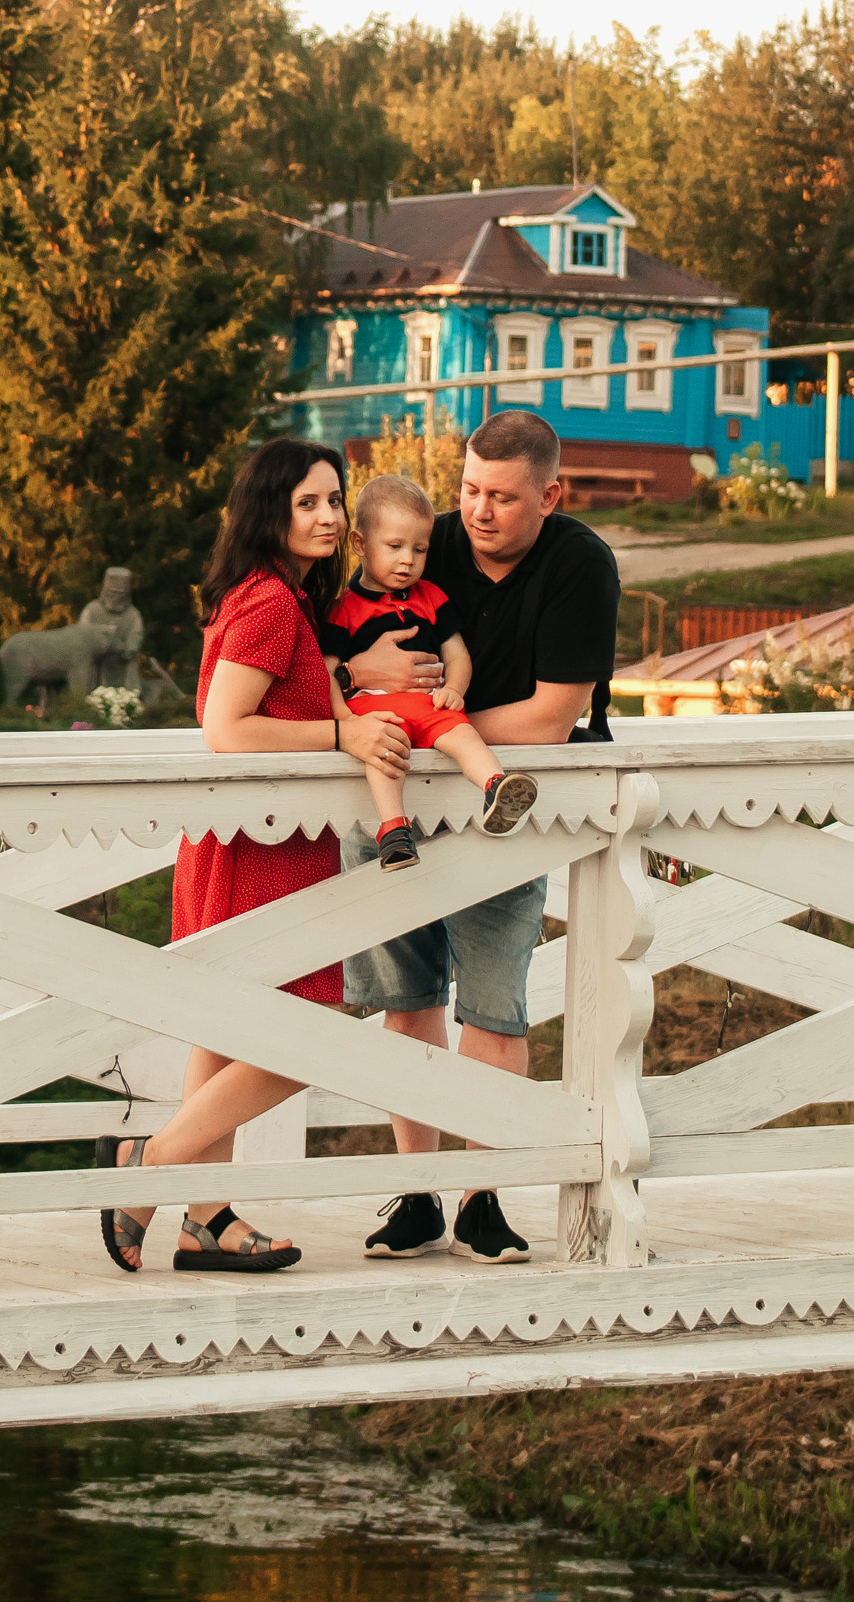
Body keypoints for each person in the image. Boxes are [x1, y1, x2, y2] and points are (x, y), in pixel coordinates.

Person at [97, 439, 411, 1277]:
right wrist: (343, 732)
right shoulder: (271, 603)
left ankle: (205, 1218)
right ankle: (150, 1169)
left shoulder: (274, 595)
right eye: (309, 502)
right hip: (257, 848)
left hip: (255, 841)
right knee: (300, 1035)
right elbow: (226, 729)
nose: (330, 517)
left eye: (335, 502)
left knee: (226, 1033)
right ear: (269, 509)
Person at [332, 407, 620, 1264]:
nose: (479, 511)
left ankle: (483, 1198)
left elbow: (552, 716)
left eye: (501, 495)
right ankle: (417, 1196)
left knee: (494, 1005)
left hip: (499, 809)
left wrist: (426, 727)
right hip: (388, 802)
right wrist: (360, 678)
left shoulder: (578, 565)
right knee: (406, 998)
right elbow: (325, 650)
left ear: (550, 494)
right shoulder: (423, 542)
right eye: (469, 490)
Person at [334, 471, 537, 867]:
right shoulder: (344, 607)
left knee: (465, 735)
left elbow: (457, 654)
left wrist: (456, 690)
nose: (408, 559)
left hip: (430, 704)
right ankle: (394, 830)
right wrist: (343, 719)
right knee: (384, 754)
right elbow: (328, 670)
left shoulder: (432, 597)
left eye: (420, 549)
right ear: (360, 543)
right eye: (394, 546)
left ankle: (497, 787)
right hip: (374, 710)